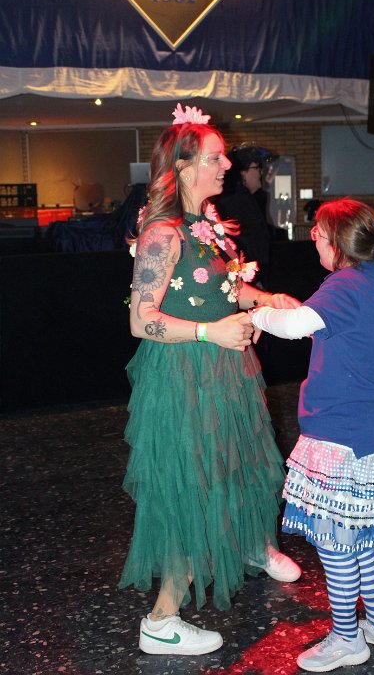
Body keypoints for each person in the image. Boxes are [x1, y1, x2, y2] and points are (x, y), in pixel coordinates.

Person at [119, 104, 301, 657]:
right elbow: (141, 320)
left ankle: (249, 544)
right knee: (193, 487)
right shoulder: (162, 233)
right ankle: (162, 619)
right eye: (216, 158)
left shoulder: (207, 224)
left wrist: (265, 298)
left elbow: (224, 287)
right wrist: (209, 332)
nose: (227, 165)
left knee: (239, 465)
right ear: (183, 166)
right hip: (184, 376)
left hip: (223, 371)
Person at [250, 198, 374, 673]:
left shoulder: (346, 284)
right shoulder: (369, 280)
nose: (314, 241)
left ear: (338, 242)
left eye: (318, 233)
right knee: (358, 537)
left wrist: (256, 314)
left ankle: (347, 637)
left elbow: (294, 326)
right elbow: (330, 329)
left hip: (346, 434)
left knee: (337, 544)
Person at [214, 143, 278, 285]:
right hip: (245, 274)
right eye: (257, 167)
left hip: (253, 272)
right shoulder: (235, 200)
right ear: (243, 172)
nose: (261, 172)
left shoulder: (247, 197)